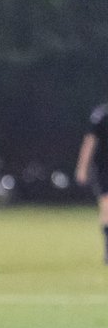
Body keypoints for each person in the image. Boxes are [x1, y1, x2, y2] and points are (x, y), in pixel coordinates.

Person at [75, 102, 108, 263]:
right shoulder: (101, 115)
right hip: (104, 168)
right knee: (107, 206)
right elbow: (89, 142)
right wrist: (82, 168)